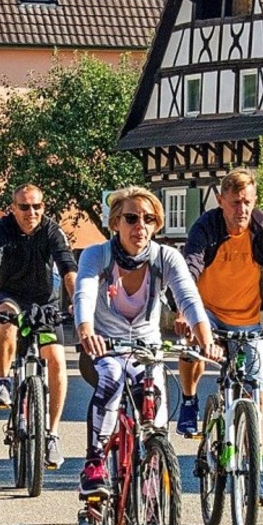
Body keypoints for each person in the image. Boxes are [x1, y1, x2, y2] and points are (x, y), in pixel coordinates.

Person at [174, 166, 263, 502]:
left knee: (256, 396)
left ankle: (253, 473)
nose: (242, 210)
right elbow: (190, 266)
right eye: (234, 202)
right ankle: (189, 402)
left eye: (247, 202)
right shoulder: (206, 227)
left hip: (246, 319)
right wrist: (185, 313)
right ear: (221, 201)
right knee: (193, 345)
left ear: (255, 200)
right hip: (206, 310)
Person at [74, 185, 218, 498]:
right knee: (112, 377)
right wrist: (86, 332)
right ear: (115, 223)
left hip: (145, 350)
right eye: (131, 218)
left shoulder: (166, 257)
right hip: (103, 348)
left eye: (149, 219)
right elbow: (83, 292)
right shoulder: (97, 255)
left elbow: (189, 298)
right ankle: (95, 463)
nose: (140, 226)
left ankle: (154, 496)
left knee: (156, 418)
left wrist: (205, 340)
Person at [0, 182, 77, 470]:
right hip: (11, 296)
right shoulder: (1, 230)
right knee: (6, 318)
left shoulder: (51, 230)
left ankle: (53, 434)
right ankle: (4, 381)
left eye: (37, 206)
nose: (31, 212)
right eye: (24, 206)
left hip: (45, 302)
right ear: (13, 208)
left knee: (56, 360)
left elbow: (68, 267)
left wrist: (78, 301)